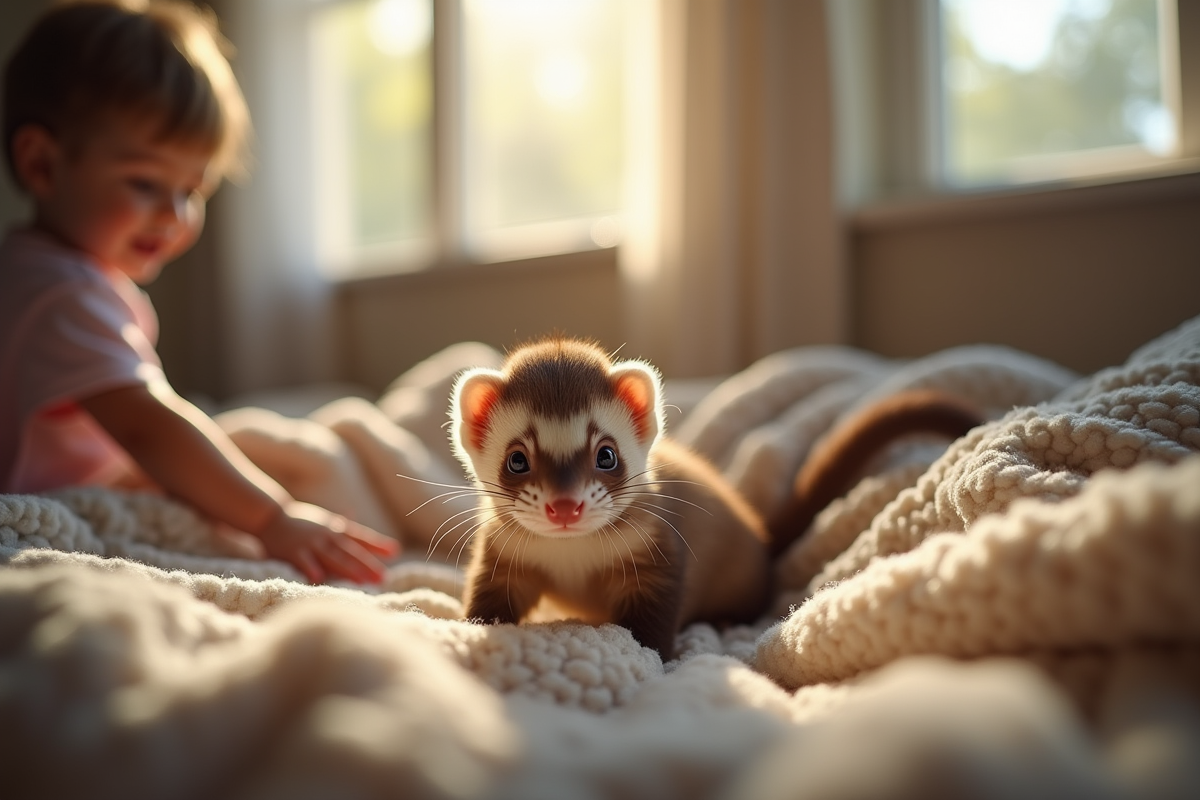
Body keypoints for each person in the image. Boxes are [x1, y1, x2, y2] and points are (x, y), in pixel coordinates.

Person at [0, 0, 399, 583]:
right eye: (145, 183)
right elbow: (148, 426)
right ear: (42, 164)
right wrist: (273, 517)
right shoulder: (64, 294)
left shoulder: (35, 272)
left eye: (194, 189)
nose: (174, 214)